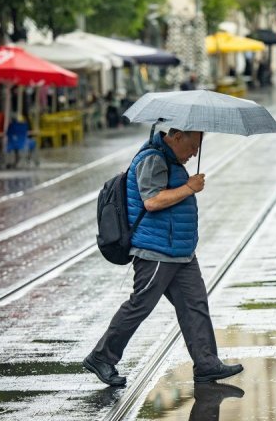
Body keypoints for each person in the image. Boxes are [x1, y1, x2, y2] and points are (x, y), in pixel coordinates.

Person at [84, 128, 244, 387]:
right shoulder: (154, 159)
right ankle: (101, 356)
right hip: (156, 251)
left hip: (179, 251)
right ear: (178, 135)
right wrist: (189, 187)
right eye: (194, 145)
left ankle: (206, 363)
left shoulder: (170, 160)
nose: (195, 153)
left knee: (195, 304)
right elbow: (152, 201)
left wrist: (186, 185)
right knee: (140, 304)